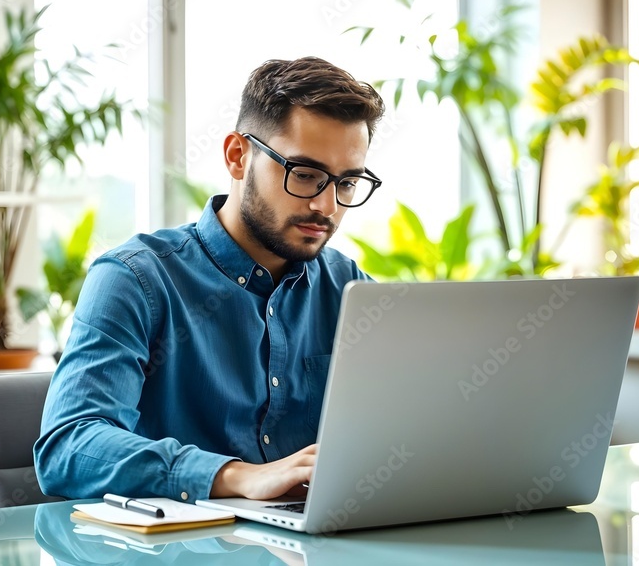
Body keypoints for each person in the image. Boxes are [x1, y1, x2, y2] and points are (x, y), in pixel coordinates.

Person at [34, 56, 386, 504]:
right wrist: (239, 477)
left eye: (347, 182)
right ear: (238, 157)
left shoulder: (348, 288)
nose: (327, 206)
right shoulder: (135, 279)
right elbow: (68, 446)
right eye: (306, 175)